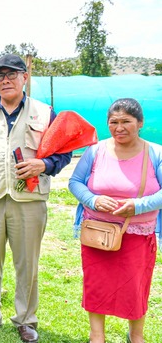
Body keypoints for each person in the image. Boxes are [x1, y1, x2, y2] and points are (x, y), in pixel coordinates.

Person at [0, 54, 71, 343]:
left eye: (11, 75)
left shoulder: (45, 113)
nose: (5, 80)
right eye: (0, 76)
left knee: (27, 263)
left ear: (25, 77)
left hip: (29, 199)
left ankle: (25, 320)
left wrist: (43, 165)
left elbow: (64, 151)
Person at [69, 98, 162, 343]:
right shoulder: (95, 150)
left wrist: (138, 206)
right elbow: (75, 182)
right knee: (97, 284)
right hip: (98, 233)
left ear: (139, 123)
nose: (119, 127)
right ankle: (96, 335)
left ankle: (136, 334)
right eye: (113, 122)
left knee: (135, 285)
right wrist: (93, 200)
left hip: (138, 233)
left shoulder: (155, 153)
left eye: (126, 122)